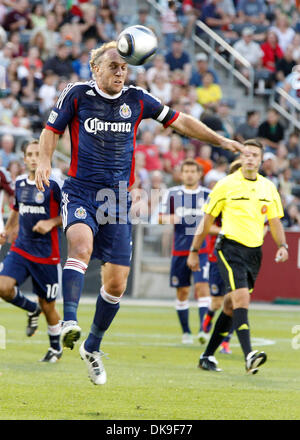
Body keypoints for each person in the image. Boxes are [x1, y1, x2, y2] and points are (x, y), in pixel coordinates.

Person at [35, 41, 243, 386]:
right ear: (95, 69)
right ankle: (70, 320)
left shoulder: (138, 99)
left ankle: (92, 347)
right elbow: (50, 131)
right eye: (113, 66)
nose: (120, 72)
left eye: (124, 67)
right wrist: (44, 159)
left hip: (118, 200)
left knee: (116, 285)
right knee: (81, 247)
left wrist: (219, 140)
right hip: (82, 190)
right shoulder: (76, 94)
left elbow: (181, 121)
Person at [187, 139, 288, 374]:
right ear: (241, 157)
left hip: (254, 253)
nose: (250, 158)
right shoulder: (225, 185)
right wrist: (194, 250)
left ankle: (207, 356)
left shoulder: (268, 188)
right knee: (242, 299)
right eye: (247, 154)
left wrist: (282, 245)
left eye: (255, 155)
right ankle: (249, 354)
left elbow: (274, 221)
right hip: (229, 248)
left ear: (261, 160)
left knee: (231, 306)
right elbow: (207, 221)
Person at [0, 140, 63, 363]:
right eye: (30, 154)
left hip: (47, 255)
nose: (35, 157)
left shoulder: (55, 185)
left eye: (39, 153)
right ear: (25, 159)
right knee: (3, 287)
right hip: (22, 248)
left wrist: (51, 222)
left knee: (49, 306)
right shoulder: (19, 183)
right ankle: (31, 308)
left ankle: (55, 348)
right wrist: (7, 231)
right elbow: (17, 209)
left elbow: (71, 215)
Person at [159, 159, 212, 345]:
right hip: (180, 249)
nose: (189, 174)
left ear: (200, 174)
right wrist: (174, 217)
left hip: (202, 250)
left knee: (202, 287)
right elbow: (159, 218)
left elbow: (216, 222)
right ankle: (186, 332)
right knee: (182, 292)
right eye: (186, 171)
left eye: (193, 171)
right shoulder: (172, 194)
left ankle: (203, 330)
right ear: (181, 174)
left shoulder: (208, 195)